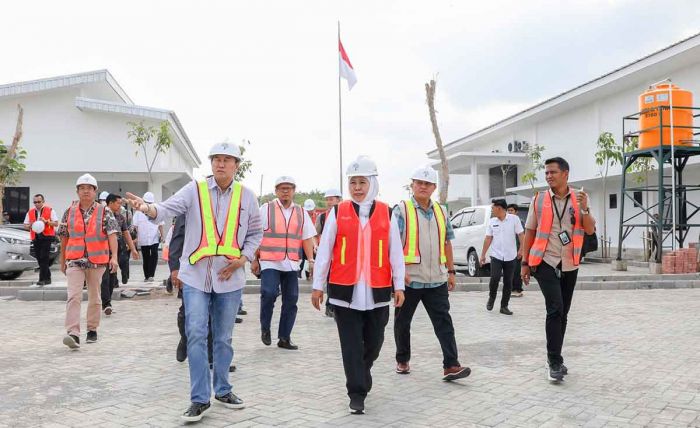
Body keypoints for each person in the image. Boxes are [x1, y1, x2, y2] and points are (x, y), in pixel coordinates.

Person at [125, 142, 262, 422]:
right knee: (197, 333)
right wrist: (146, 208)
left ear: (237, 165)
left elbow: (256, 233)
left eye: (227, 160)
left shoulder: (247, 197)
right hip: (196, 277)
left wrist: (244, 258)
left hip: (230, 278)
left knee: (223, 338)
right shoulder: (195, 190)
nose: (220, 164)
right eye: (216, 159)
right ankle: (199, 399)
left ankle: (223, 389)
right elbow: (164, 209)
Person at [311, 155, 405, 415]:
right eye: (353, 182)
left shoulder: (387, 213)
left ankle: (362, 373)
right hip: (344, 292)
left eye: (362, 182)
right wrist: (318, 286)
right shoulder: (338, 212)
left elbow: (395, 252)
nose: (357, 188)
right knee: (351, 346)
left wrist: (400, 286)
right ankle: (356, 392)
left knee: (374, 342)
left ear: (373, 183)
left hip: (377, 292)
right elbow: (325, 251)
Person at [392, 166, 471, 381]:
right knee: (402, 322)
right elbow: (393, 246)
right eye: (419, 183)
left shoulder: (441, 211)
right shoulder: (401, 210)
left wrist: (452, 271)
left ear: (434, 187)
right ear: (412, 185)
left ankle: (451, 365)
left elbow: (446, 242)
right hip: (410, 279)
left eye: (427, 184)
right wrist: (397, 276)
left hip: (437, 279)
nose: (423, 187)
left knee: (444, 322)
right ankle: (403, 359)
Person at [520, 157, 595, 382]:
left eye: (553, 172)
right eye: (547, 173)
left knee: (563, 312)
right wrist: (524, 263)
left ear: (566, 174)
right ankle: (554, 361)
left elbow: (590, 229)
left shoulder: (579, 198)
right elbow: (530, 231)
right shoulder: (539, 199)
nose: (549, 176)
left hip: (570, 262)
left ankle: (556, 358)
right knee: (555, 308)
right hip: (544, 260)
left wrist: (585, 208)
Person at [251, 176, 316, 350]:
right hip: (270, 261)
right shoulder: (266, 209)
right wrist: (254, 259)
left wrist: (310, 260)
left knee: (291, 299)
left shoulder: (301, 212)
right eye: (282, 188)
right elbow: (256, 236)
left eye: (289, 188)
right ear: (276, 191)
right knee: (269, 293)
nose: (285, 191)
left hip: (291, 263)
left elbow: (307, 238)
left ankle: (284, 337)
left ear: (294, 191)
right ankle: (265, 328)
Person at [169, 214, 237, 372]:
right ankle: (186, 337)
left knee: (216, 315)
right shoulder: (190, 207)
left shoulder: (228, 208)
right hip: (193, 272)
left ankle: (215, 358)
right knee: (188, 312)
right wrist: (175, 269)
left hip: (220, 271)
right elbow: (177, 240)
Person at [58, 174, 119, 349]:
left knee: (95, 297)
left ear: (95, 191)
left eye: (89, 188)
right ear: (77, 192)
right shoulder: (69, 212)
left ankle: (92, 329)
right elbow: (64, 237)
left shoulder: (104, 211)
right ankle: (73, 333)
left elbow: (112, 234)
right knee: (74, 296)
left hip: (97, 261)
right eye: (82, 188)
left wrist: (114, 257)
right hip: (75, 260)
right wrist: (62, 261)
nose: (85, 191)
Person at [480, 199, 523, 316]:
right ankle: (492, 297)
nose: (492, 210)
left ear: (499, 208)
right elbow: (488, 238)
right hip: (496, 256)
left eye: (493, 208)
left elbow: (520, 234)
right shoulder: (492, 221)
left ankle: (504, 306)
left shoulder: (514, 219)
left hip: (511, 256)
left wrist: (521, 249)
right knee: (494, 278)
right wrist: (483, 255)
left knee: (508, 282)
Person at [101, 194, 139, 315]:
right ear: (110, 203)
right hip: (102, 251)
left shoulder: (120, 217)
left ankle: (108, 301)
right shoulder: (101, 216)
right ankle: (106, 303)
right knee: (105, 277)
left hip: (117, 250)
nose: (120, 205)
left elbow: (126, 233)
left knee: (112, 278)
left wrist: (133, 249)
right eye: (118, 203)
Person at [316, 188, 342, 317]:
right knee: (330, 281)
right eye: (327, 200)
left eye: (331, 199)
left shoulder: (346, 215)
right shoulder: (322, 217)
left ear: (339, 200)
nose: (329, 202)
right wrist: (317, 247)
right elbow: (316, 234)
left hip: (341, 256)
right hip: (327, 256)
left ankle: (335, 306)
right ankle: (330, 306)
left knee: (336, 282)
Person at [24, 193, 59, 285]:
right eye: (35, 202)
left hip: (46, 237)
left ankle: (42, 279)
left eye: (39, 202)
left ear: (43, 201)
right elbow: (25, 225)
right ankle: (48, 278)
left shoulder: (50, 210)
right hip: (35, 237)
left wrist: (46, 221)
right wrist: (30, 225)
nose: (37, 204)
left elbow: (56, 223)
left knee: (44, 257)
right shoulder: (30, 212)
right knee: (39, 258)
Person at [132, 191, 164, 281]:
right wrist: (137, 237)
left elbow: (160, 224)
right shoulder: (138, 212)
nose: (149, 204)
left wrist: (162, 235)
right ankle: (146, 276)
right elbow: (135, 226)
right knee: (145, 257)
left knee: (154, 255)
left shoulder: (156, 210)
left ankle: (151, 275)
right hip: (143, 238)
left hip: (154, 237)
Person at [507, 203, 525, 297]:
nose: (510, 212)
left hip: (518, 250)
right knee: (510, 271)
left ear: (516, 212)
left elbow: (522, 237)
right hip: (509, 251)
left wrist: (521, 250)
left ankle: (518, 289)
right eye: (508, 210)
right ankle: (511, 288)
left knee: (517, 271)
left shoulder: (519, 221)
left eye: (512, 210)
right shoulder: (506, 221)